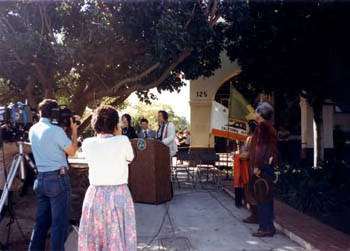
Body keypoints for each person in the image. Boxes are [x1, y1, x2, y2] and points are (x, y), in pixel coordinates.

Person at [78, 105, 136, 250]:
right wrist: (118, 134)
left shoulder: (87, 143)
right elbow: (130, 158)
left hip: (95, 195)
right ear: (115, 124)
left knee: (96, 236)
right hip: (118, 194)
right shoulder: (122, 141)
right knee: (118, 237)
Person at [29, 99, 79, 251]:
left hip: (41, 179)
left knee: (41, 223)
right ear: (55, 113)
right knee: (59, 224)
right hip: (57, 179)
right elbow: (72, 151)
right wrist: (74, 130)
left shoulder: (33, 129)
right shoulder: (55, 131)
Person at [250, 102, 278, 238]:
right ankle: (269, 226)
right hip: (269, 165)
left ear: (260, 114)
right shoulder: (270, 127)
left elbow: (260, 148)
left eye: (256, 111)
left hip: (263, 166)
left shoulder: (261, 127)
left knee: (262, 197)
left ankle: (264, 228)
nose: (255, 114)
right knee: (268, 196)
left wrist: (256, 166)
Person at [240, 120, 258, 223]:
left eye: (246, 127)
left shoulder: (250, 139)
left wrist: (240, 155)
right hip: (255, 166)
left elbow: (244, 154)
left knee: (250, 191)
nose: (245, 129)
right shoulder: (257, 138)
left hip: (250, 167)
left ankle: (254, 216)